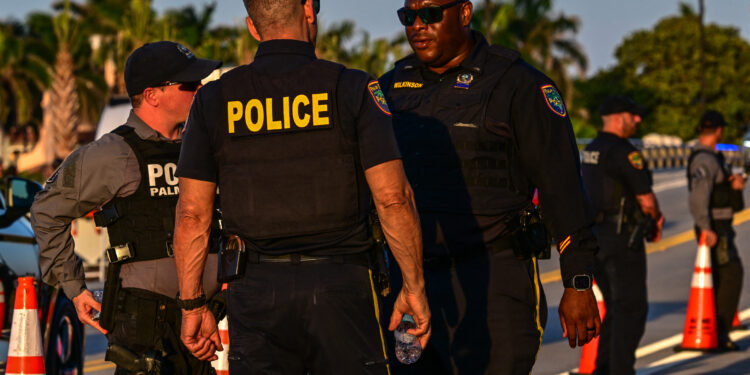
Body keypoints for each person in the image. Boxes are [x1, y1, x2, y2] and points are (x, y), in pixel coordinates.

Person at [172, 0, 431, 374]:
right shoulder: (352, 86)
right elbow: (393, 198)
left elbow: (193, 214)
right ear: (309, 9)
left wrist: (193, 306)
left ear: (252, 26)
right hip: (342, 287)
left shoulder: (214, 99)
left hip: (256, 291)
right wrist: (414, 287)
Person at [379, 1, 601, 374]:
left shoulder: (518, 84)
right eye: (408, 16)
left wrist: (578, 282)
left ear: (464, 13)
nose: (417, 25)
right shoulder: (389, 88)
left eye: (431, 14)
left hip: (494, 279)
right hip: (411, 283)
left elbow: (560, 187)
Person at [31, 41, 222, 374]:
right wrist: (75, 289)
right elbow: (47, 210)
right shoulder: (113, 154)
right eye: (189, 84)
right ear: (152, 95)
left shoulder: (201, 147)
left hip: (203, 319)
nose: (201, 89)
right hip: (148, 328)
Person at [581, 96, 664, 375]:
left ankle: (604, 368)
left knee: (615, 308)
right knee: (631, 308)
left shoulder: (591, 150)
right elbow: (646, 199)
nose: (638, 120)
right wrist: (655, 219)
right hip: (621, 239)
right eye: (633, 115)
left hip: (595, 238)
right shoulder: (624, 152)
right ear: (619, 118)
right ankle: (621, 370)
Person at [687, 110, 745, 351]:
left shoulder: (710, 157)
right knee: (731, 275)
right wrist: (705, 227)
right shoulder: (705, 160)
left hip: (718, 226)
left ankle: (717, 331)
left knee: (722, 277)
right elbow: (698, 197)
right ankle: (718, 333)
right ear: (719, 130)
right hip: (715, 228)